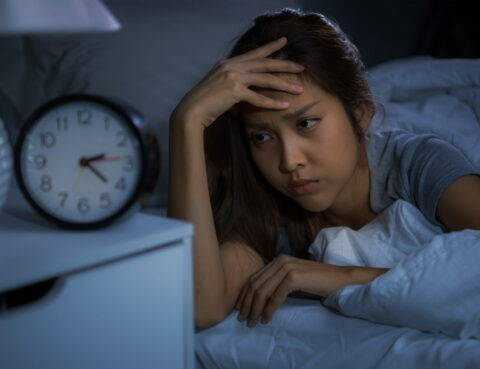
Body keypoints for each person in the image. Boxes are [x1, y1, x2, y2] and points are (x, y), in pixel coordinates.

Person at [167, 8, 480, 330]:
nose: (289, 161)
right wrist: (187, 122)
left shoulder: (416, 163)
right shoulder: (266, 206)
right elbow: (201, 309)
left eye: (306, 123)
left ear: (359, 114)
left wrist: (341, 277)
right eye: (261, 136)